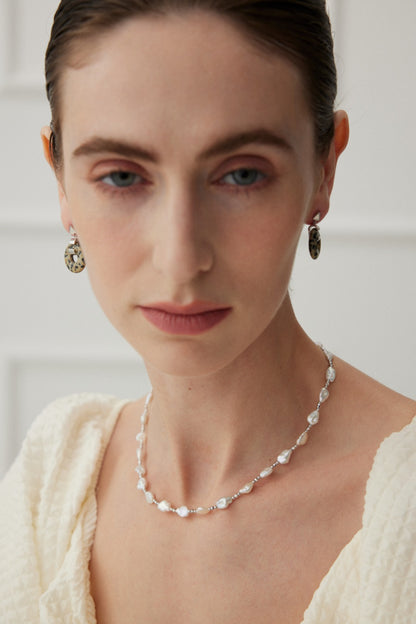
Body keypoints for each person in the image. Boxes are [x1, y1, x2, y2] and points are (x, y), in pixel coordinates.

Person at [0, 1, 415, 622]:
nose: (180, 258)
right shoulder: (51, 477)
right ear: (60, 179)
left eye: (242, 175)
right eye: (120, 177)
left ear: (325, 168)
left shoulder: (404, 511)